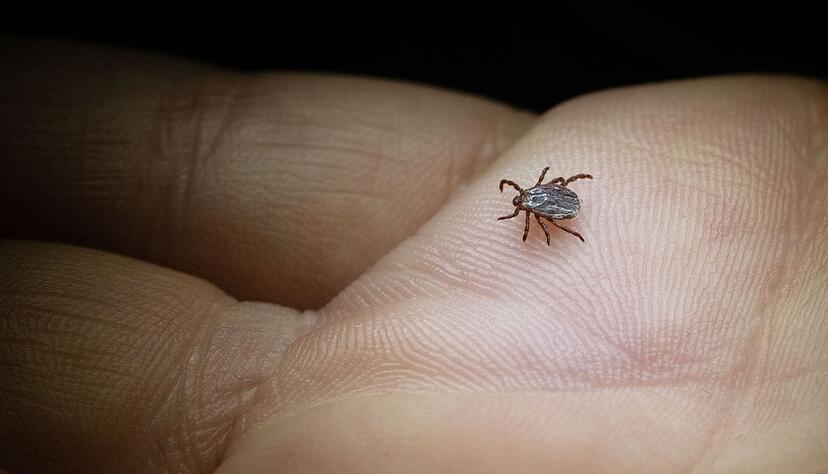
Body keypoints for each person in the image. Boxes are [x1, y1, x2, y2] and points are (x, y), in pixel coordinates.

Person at [1, 38, 826, 472]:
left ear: (532, 202)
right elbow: (555, 197)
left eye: (529, 206)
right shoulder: (541, 205)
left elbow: (554, 201)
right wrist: (554, 210)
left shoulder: (542, 208)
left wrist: (555, 215)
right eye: (527, 208)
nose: (527, 209)